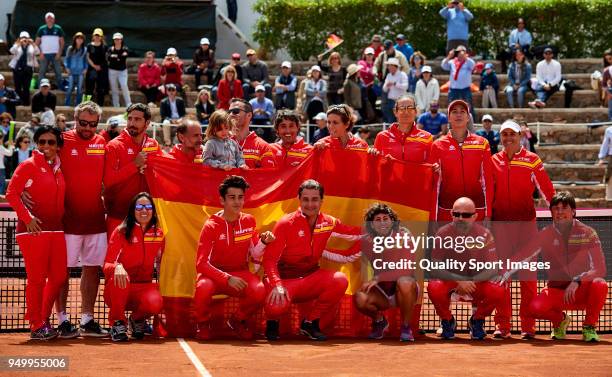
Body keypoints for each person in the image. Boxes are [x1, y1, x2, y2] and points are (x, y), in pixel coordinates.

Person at [263, 179, 361, 341]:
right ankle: (272, 323)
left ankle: (309, 323)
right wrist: (277, 285)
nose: (310, 204)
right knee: (276, 306)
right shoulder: (285, 223)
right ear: (299, 200)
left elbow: (354, 233)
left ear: (322, 200)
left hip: (310, 277)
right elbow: (269, 260)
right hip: (285, 280)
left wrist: (385, 228)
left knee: (340, 280)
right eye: (305, 199)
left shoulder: (329, 222)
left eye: (315, 199)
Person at [506, 192, 608, 342]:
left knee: (600, 284)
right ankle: (560, 321)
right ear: (551, 212)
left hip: (581, 292)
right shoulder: (546, 234)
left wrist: (578, 280)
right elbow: (523, 255)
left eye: (564, 208)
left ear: (573, 211)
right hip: (557, 293)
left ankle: (589, 327)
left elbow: (600, 268)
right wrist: (502, 272)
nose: (560, 212)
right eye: (555, 208)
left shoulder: (588, 233)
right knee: (535, 308)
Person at [46, 102, 108, 338]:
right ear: (75, 119)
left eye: (93, 124)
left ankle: (87, 319)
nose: (87, 128)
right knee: (61, 272)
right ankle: (62, 319)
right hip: (67, 220)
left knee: (92, 270)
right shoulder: (60, 140)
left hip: (95, 219)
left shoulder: (101, 142)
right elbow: (39, 164)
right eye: (83, 123)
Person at [491, 119, 555, 339]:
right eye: (505, 134)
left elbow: (546, 189)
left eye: (513, 134)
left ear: (520, 136)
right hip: (500, 227)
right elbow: (487, 192)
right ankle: (503, 325)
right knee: (502, 276)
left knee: (528, 278)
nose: (508, 138)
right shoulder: (492, 161)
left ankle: (528, 326)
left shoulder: (532, 160)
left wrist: (558, 216)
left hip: (526, 227)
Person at [193, 176, 274, 340]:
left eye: (240, 197)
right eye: (232, 198)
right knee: (203, 287)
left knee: (259, 290)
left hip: (239, 273)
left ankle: (237, 320)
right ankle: (202, 323)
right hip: (214, 276)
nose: (237, 202)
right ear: (222, 200)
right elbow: (201, 264)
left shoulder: (249, 220)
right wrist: (226, 278)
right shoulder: (211, 226)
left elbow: (255, 254)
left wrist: (264, 242)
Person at [5, 126, 67, 340]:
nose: (46, 146)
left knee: (59, 276)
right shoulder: (28, 165)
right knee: (37, 279)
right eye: (42, 142)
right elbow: (11, 193)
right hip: (33, 231)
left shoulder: (60, 167)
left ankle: (39, 316)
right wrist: (27, 218)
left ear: (58, 145)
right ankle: (36, 323)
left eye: (51, 142)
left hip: (57, 229)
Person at [427, 197, 504, 340]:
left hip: (476, 284)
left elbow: (493, 268)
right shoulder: (442, 233)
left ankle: (477, 321)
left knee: (498, 288)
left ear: (475, 216)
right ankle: (447, 321)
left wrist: (470, 281)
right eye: (457, 214)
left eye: (466, 215)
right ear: (451, 214)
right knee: (433, 287)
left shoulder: (485, 234)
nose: (460, 218)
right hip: (451, 283)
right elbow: (435, 266)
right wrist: (459, 281)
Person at [103, 192, 164, 341]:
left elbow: (161, 264)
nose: (144, 210)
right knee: (121, 276)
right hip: (119, 289)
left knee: (156, 302)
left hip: (143, 289)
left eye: (148, 206)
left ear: (153, 211)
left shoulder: (159, 234)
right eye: (139, 207)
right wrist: (117, 267)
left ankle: (136, 319)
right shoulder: (121, 232)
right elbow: (107, 264)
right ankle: (117, 322)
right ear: (132, 210)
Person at [355, 203, 418, 342]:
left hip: (405, 288)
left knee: (405, 282)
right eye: (377, 219)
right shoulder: (367, 241)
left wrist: (378, 277)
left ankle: (406, 327)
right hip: (382, 291)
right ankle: (379, 321)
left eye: (386, 218)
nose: (382, 222)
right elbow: (349, 254)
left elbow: (406, 268)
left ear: (392, 221)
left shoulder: (404, 235)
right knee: (360, 298)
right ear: (371, 224)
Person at [429, 100, 493, 221]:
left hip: (477, 210)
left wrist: (488, 213)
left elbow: (487, 180)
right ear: (448, 117)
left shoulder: (482, 143)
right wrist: (434, 217)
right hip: (447, 210)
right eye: (454, 112)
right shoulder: (437, 145)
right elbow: (434, 185)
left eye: (462, 112)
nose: (458, 115)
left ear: (468, 117)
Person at [104, 103, 161, 236]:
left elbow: (161, 174)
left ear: (147, 123)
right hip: (118, 216)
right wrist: (134, 165)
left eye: (137, 119)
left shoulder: (153, 144)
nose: (131, 123)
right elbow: (108, 181)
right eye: (130, 118)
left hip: (145, 217)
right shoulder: (114, 145)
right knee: (115, 257)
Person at [373, 94, 433, 163]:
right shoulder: (382, 137)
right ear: (395, 112)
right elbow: (375, 164)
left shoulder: (427, 138)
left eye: (410, 108)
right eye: (402, 108)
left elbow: (431, 165)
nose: (406, 112)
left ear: (416, 111)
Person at [228, 98, 276, 168]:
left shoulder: (262, 147)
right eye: (229, 112)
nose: (231, 114)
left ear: (249, 115)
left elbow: (268, 176)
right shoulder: (218, 142)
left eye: (235, 111)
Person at [441, 45, 475, 115]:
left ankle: (470, 123)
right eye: (458, 52)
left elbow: (473, 66)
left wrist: (465, 57)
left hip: (465, 89)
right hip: (453, 89)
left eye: (462, 51)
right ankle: (450, 123)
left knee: (468, 107)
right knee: (451, 106)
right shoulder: (452, 62)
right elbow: (443, 66)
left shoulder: (468, 61)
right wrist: (449, 56)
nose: (460, 53)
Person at [35, 12, 65, 89]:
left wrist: (59, 53)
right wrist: (40, 53)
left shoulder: (58, 29)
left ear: (54, 19)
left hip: (55, 54)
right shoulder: (41, 29)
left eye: (51, 18)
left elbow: (62, 42)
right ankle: (39, 88)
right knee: (42, 72)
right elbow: (37, 43)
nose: (49, 20)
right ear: (45, 19)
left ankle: (60, 88)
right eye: (48, 18)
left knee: (58, 72)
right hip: (44, 55)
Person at [10, 31, 39, 106]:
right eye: (22, 38)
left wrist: (33, 43)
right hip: (17, 68)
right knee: (18, 86)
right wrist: (18, 43)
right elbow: (11, 51)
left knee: (26, 87)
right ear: (19, 38)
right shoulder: (17, 45)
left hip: (28, 69)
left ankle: (26, 103)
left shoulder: (31, 46)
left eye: (26, 38)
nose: (24, 40)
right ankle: (18, 102)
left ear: (28, 38)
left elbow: (37, 52)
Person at [85, 28, 108, 106]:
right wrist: (94, 66)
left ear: (101, 37)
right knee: (89, 88)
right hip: (91, 69)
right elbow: (88, 57)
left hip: (102, 70)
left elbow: (106, 58)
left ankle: (100, 105)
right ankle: (88, 105)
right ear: (93, 36)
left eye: (99, 35)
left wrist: (100, 66)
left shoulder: (105, 46)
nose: (97, 37)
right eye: (96, 35)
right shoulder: (89, 45)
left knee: (100, 88)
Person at [106, 33, 131, 108]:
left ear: (121, 40)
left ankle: (129, 104)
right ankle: (116, 105)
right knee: (114, 88)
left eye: (118, 39)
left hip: (122, 71)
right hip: (112, 71)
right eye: (115, 39)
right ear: (113, 40)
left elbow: (123, 57)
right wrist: (118, 57)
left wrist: (115, 57)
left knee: (124, 85)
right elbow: (109, 58)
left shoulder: (125, 49)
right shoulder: (110, 49)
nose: (117, 40)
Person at [64, 32, 88, 106]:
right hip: (71, 71)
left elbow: (85, 60)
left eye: (81, 38)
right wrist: (67, 68)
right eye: (78, 38)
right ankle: (67, 104)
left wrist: (86, 68)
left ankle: (78, 105)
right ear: (75, 39)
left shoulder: (85, 49)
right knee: (70, 88)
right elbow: (66, 59)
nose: (79, 40)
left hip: (80, 72)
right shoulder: (70, 48)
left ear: (83, 40)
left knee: (79, 89)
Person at [382, 58, 408, 123]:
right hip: (390, 101)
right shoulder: (388, 75)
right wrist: (387, 86)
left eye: (390, 66)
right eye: (388, 66)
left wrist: (395, 84)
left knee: (401, 121)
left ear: (395, 66)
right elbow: (384, 89)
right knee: (391, 122)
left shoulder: (403, 75)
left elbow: (405, 87)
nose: (388, 67)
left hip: (401, 102)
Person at [358, 47, 377, 122]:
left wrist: (368, 74)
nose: (369, 56)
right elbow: (361, 71)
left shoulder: (375, 64)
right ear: (365, 55)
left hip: (373, 89)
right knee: (364, 105)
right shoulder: (361, 62)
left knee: (372, 105)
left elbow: (377, 74)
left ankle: (372, 119)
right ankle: (365, 120)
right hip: (363, 89)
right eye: (368, 54)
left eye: (371, 54)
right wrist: (371, 73)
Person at [598, 125, 612, 200]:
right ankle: (609, 197)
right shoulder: (609, 130)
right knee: (609, 178)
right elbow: (605, 145)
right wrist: (601, 157)